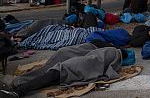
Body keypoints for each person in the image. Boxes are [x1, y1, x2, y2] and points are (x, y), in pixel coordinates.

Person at [0, 41, 128, 98]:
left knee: (56, 72)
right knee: (52, 71)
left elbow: (93, 60)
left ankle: (19, 90)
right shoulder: (103, 47)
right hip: (80, 62)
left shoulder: (112, 52)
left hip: (81, 65)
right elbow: (86, 50)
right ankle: (17, 86)